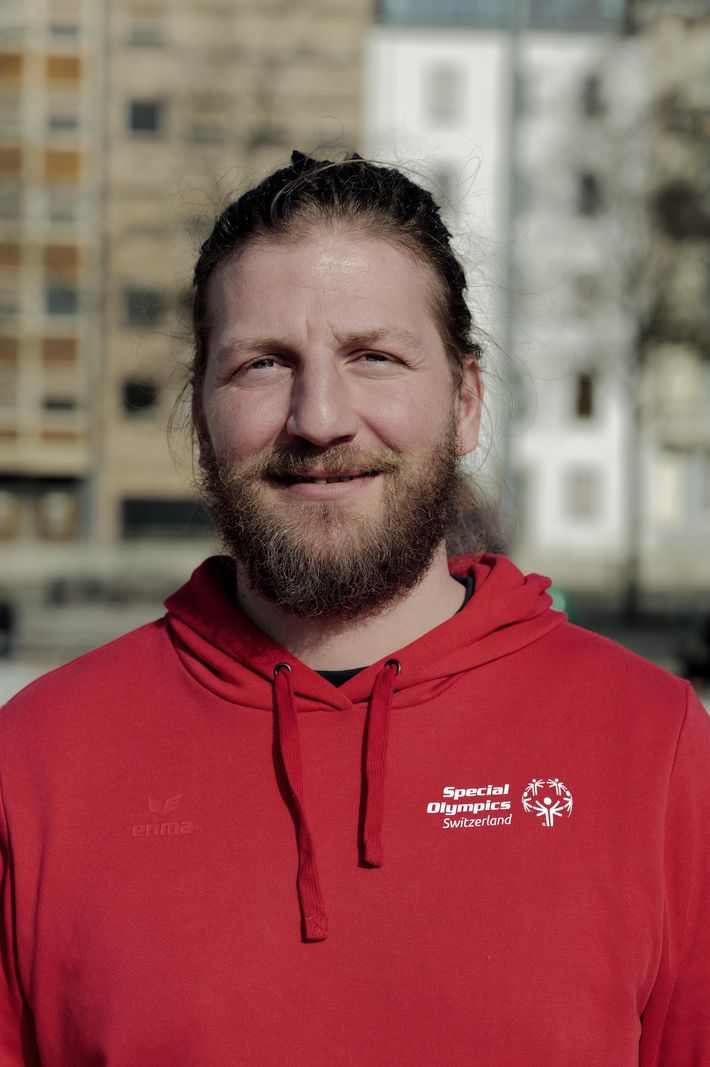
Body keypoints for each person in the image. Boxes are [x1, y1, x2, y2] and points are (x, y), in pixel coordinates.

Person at [1, 152, 708, 1066]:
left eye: (373, 357)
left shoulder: (651, 748)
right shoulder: (41, 761)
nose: (320, 418)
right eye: (263, 364)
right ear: (202, 413)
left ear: (465, 401)